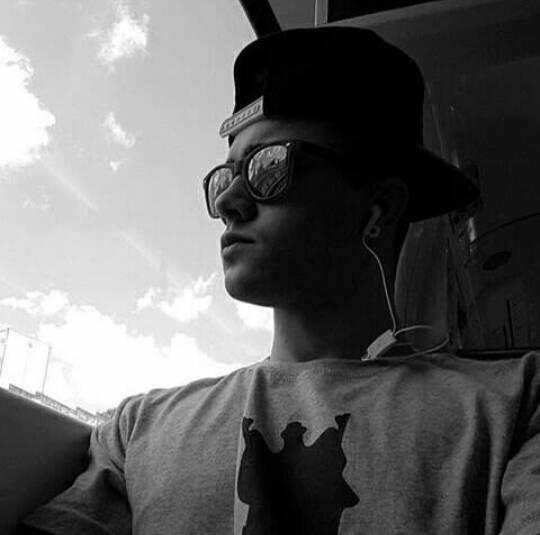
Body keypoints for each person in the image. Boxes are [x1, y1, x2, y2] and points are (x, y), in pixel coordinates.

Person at [18, 27, 540, 535]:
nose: (228, 201)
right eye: (225, 177)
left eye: (269, 167)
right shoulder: (138, 430)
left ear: (379, 206)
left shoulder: (514, 406)